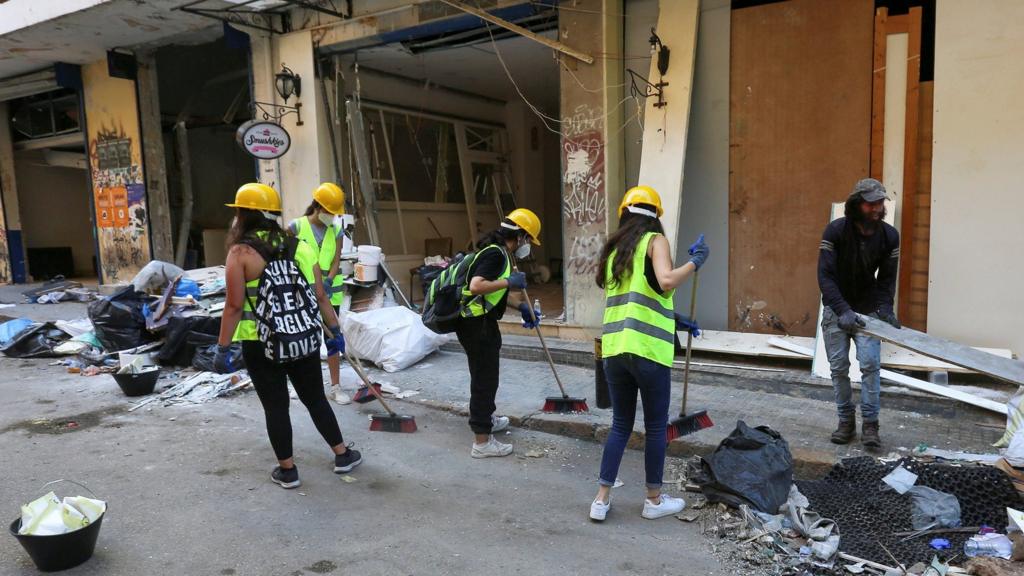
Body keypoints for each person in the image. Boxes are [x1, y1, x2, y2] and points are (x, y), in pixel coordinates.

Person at [215, 182, 361, 489]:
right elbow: (321, 296)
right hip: (302, 337)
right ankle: (342, 454)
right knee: (315, 399)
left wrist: (223, 347)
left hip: (259, 341)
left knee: (276, 406)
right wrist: (334, 331)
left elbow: (233, 305)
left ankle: (288, 470)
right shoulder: (301, 246)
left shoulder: (240, 252)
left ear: (242, 214)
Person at [590, 185, 709, 522]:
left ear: (624, 215)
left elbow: (642, 296)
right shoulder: (655, 242)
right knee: (656, 428)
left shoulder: (615, 253)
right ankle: (653, 501)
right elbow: (666, 280)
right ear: (656, 216)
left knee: (620, 425)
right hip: (648, 352)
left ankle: (601, 500)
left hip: (614, 351)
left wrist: (675, 318)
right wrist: (695, 263)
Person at [817, 178, 900, 448]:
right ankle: (846, 422)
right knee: (839, 368)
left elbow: (887, 279)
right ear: (856, 204)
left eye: (880, 202)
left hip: (867, 310)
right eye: (871, 203)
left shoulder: (889, 236)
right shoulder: (835, 231)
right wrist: (842, 310)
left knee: (870, 367)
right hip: (836, 308)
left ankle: (871, 426)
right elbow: (825, 277)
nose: (877, 208)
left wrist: (885, 308)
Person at [458, 208, 543, 459]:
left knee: (484, 377)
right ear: (522, 237)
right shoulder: (496, 254)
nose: (528, 246)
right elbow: (476, 287)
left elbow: (491, 293)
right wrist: (510, 282)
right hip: (477, 325)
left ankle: (486, 419)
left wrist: (521, 307)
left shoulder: (499, 253)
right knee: (485, 380)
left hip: (478, 322)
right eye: (529, 240)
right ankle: (482, 442)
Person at [289, 182, 349, 405]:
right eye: (329, 212)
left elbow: (336, 259)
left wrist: (329, 279)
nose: (332, 217)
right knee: (304, 340)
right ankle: (303, 384)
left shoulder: (336, 230)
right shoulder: (296, 227)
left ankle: (335, 386)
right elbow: (285, 258)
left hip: (329, 293)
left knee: (332, 339)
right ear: (318, 207)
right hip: (302, 293)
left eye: (335, 214)